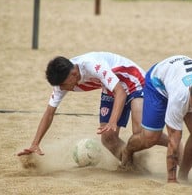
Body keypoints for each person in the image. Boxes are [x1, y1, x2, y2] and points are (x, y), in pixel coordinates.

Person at [17, 51, 168, 161]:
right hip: (110, 87)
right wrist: (35, 143)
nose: (61, 89)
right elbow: (49, 112)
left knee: (140, 132)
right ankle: (132, 166)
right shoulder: (62, 82)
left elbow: (120, 92)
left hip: (133, 81)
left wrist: (112, 121)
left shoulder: (92, 66)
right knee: (108, 138)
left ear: (74, 74)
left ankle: (174, 145)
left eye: (63, 85)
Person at [121, 55, 192, 183]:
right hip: (158, 83)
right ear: (190, 91)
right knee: (150, 137)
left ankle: (184, 175)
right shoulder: (180, 97)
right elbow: (174, 139)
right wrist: (171, 181)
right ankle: (127, 151)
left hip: (178, 77)